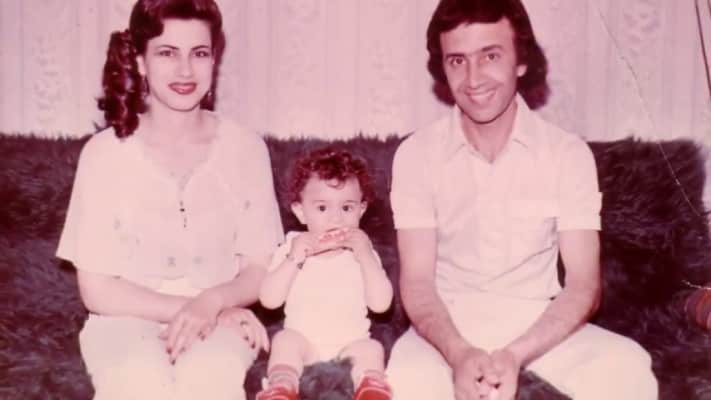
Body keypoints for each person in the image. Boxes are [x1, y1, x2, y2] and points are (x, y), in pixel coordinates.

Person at [386, 0, 658, 399]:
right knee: (405, 385)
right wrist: (458, 353)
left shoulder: (567, 154)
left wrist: (515, 355)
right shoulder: (416, 154)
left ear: (521, 61)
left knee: (629, 370)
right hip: (445, 325)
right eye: (457, 60)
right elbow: (417, 282)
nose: (473, 78)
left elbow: (584, 285)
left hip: (539, 322)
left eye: (490, 56)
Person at [55, 0, 284, 399]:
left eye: (199, 53)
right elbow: (97, 290)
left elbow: (258, 269)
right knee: (136, 380)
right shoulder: (103, 154)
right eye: (167, 53)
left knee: (210, 379)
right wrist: (194, 308)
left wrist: (213, 302)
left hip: (220, 318)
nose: (185, 71)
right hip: (123, 319)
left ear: (215, 59)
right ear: (140, 62)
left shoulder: (246, 149)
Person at [256, 147, 394, 400]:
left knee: (372, 348)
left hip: (351, 342)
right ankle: (282, 386)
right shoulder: (292, 247)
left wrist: (365, 256)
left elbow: (381, 304)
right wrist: (294, 258)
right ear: (300, 212)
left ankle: (371, 388)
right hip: (303, 341)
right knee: (284, 341)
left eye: (347, 208)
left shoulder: (362, 252)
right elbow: (269, 300)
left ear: (361, 210)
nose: (336, 219)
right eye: (322, 208)